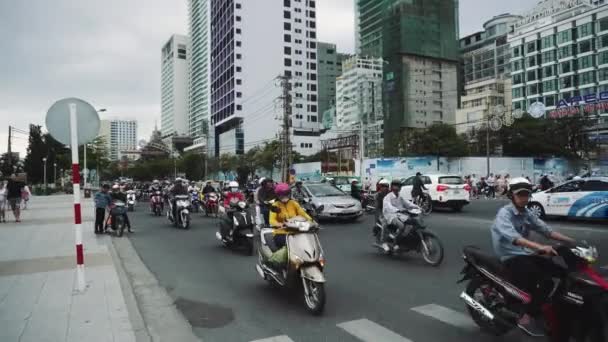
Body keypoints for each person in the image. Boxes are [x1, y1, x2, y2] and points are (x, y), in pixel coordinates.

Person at [491, 177, 575, 336]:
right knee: (546, 282)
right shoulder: (505, 214)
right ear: (511, 196)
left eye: (526, 195)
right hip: (510, 257)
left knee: (562, 272)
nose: (524, 198)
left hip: (525, 253)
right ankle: (527, 317)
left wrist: (571, 241)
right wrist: (541, 247)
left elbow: (546, 231)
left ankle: (551, 308)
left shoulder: (526, 212)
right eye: (520, 195)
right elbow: (516, 239)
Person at [269, 183, 313, 252]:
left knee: (307, 241)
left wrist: (311, 221)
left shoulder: (293, 203)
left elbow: (303, 214)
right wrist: (280, 224)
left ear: (289, 194)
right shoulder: (275, 205)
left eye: (286, 194)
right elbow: (272, 220)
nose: (284, 196)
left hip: (296, 229)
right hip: (281, 232)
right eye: (281, 195)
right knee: (289, 246)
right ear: (277, 195)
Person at [381, 179, 420, 253]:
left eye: (399, 186)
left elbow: (407, 204)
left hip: (399, 214)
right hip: (390, 215)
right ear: (392, 187)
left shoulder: (400, 196)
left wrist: (417, 207)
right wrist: (397, 210)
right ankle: (394, 242)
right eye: (396, 185)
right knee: (401, 225)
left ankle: (403, 240)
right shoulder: (388, 197)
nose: (397, 187)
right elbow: (388, 207)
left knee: (412, 223)